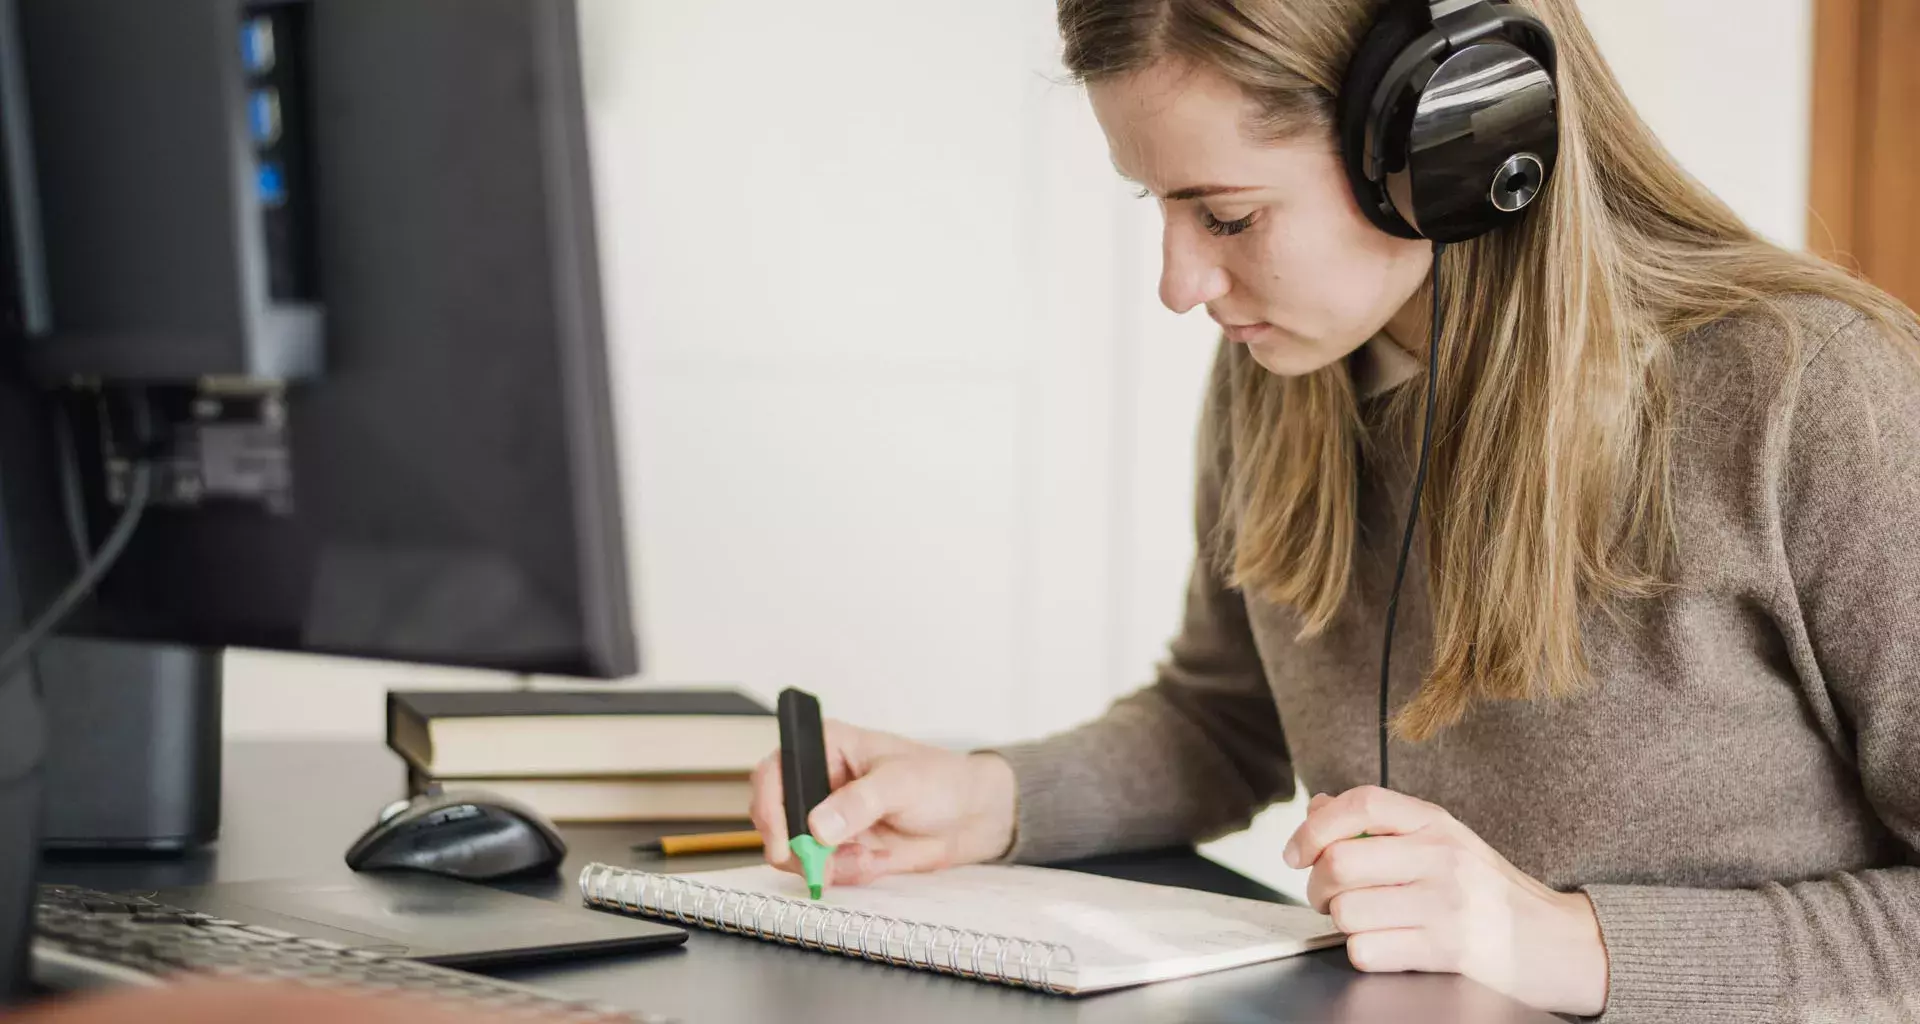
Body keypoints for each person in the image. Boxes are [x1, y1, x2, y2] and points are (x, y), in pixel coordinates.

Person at [749, 0, 1920, 1020]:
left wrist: (1573, 942)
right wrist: (988, 797)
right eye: (1158, 205)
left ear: (1451, 141)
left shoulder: (1813, 395)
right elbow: (1225, 720)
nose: (1180, 284)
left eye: (1229, 216)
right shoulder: (1286, 379)